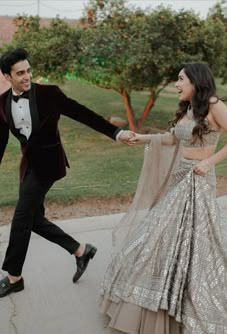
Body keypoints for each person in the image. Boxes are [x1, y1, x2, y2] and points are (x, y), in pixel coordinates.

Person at [99, 63, 227, 334]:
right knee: (162, 239)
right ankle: (164, 300)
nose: (176, 84)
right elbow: (174, 137)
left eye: (180, 79)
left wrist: (208, 162)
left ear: (196, 81)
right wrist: (142, 138)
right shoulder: (190, 107)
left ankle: (196, 309)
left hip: (198, 181)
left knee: (198, 246)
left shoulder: (213, 105)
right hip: (179, 177)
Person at [0, 47, 134, 298]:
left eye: (29, 70)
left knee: (20, 218)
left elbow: (83, 113)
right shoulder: (2, 104)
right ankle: (81, 251)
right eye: (20, 73)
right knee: (33, 219)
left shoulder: (49, 94)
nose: (27, 76)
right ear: (8, 76)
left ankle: (14, 277)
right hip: (28, 166)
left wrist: (116, 133)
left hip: (49, 165)